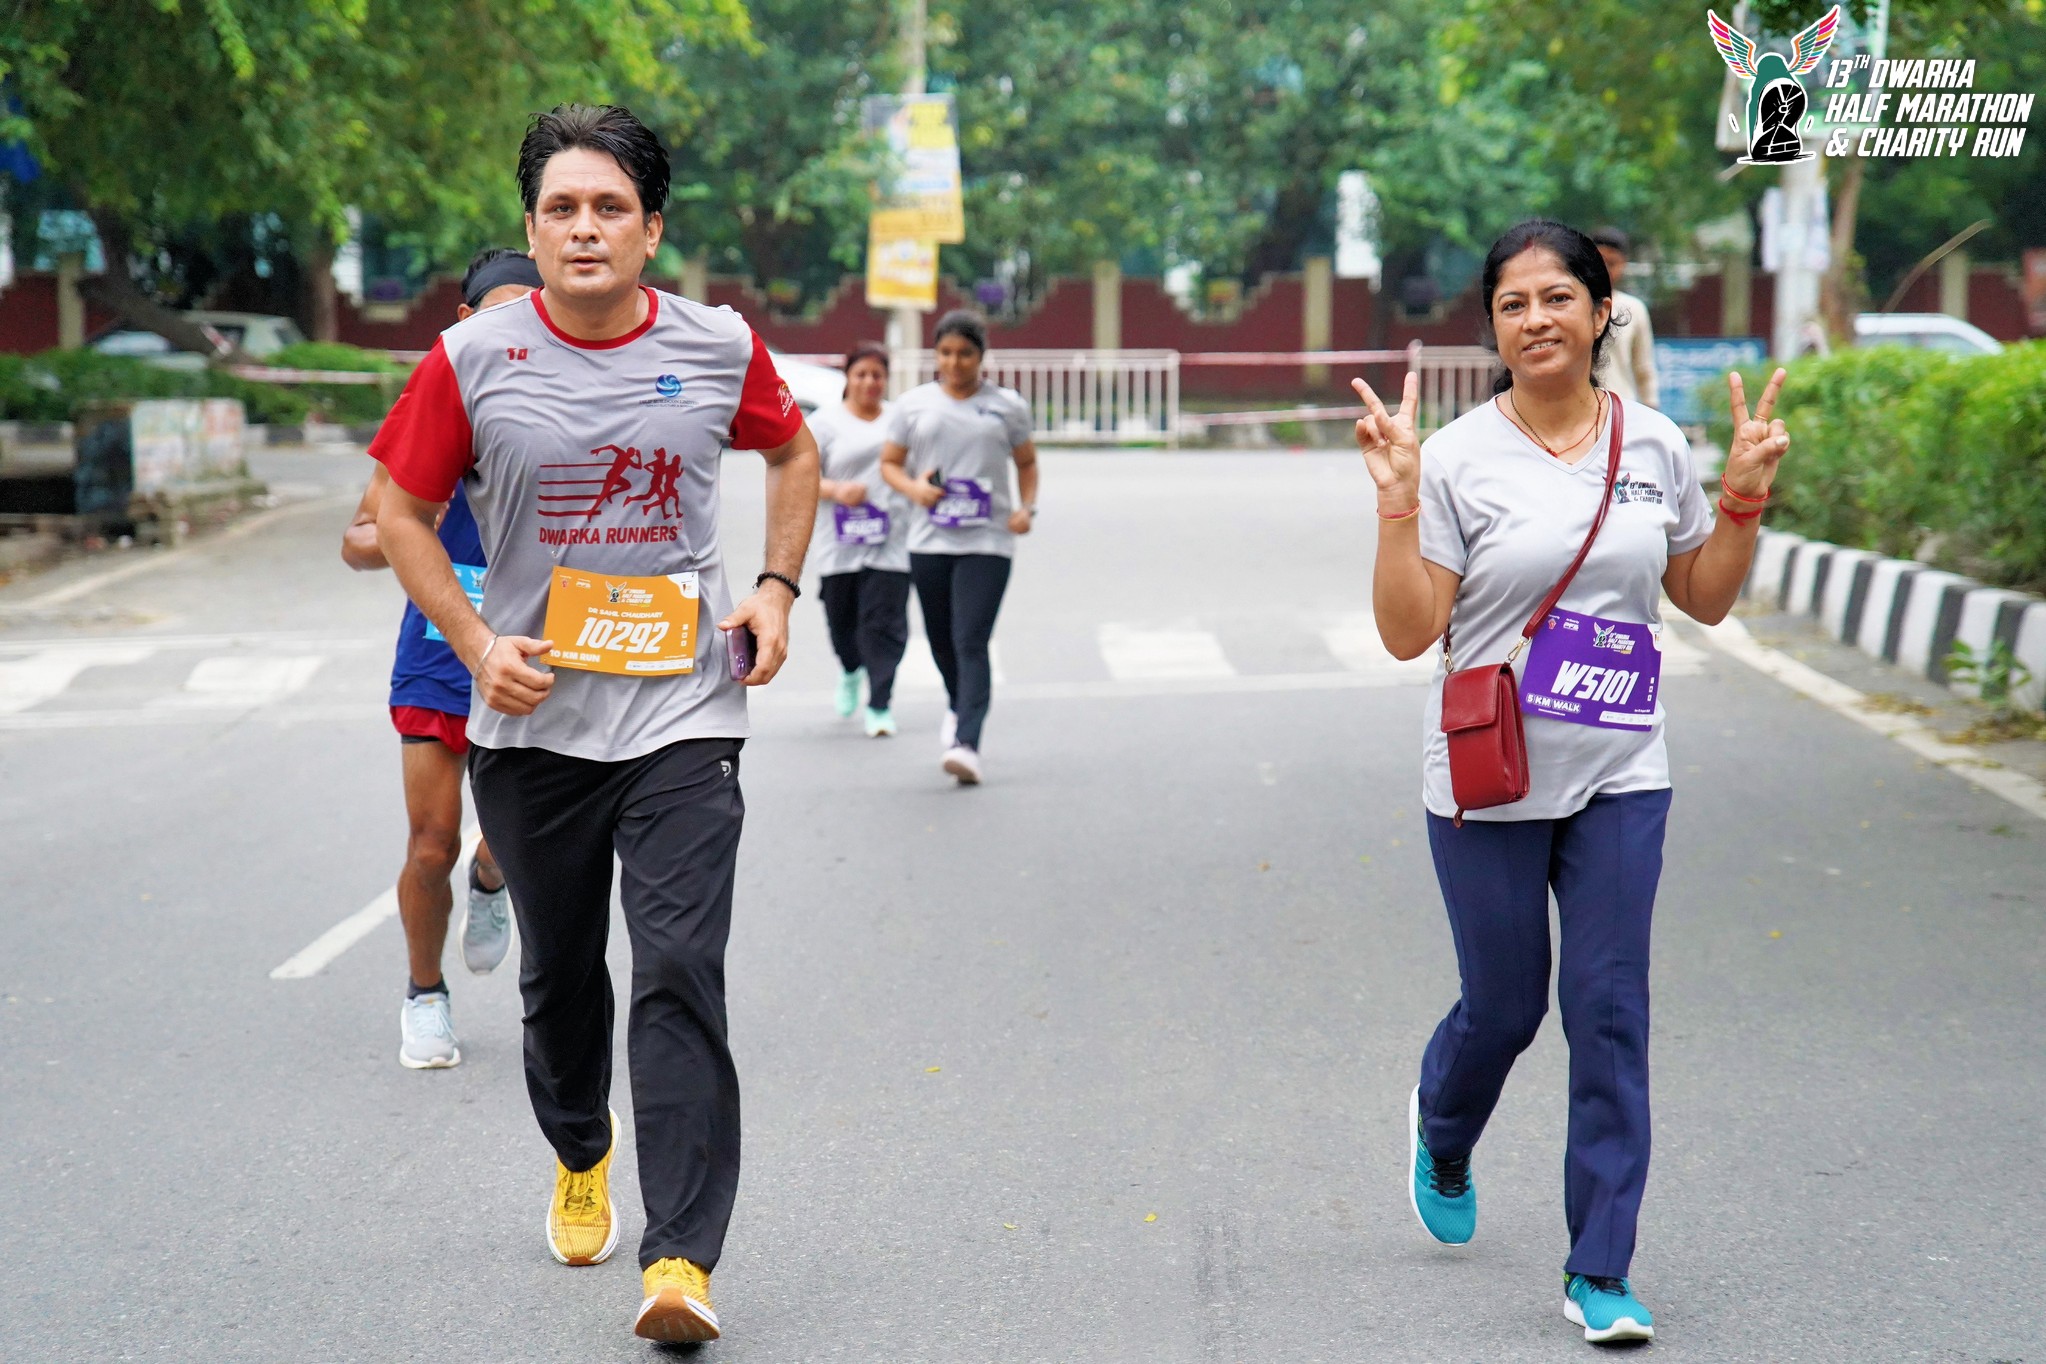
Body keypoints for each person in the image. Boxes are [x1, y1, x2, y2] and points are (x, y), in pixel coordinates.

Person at [369, 104, 819, 1345]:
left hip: (685, 711)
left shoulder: (718, 345)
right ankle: (581, 1145)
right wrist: (477, 645)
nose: (584, 228)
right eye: (561, 208)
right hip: (532, 727)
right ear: (531, 229)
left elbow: (793, 454)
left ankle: (680, 1255)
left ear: (651, 229)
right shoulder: (472, 359)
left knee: (678, 967)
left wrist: (776, 588)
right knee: (561, 977)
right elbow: (398, 511)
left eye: (610, 207)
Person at [1352, 218, 1789, 1344]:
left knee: (1608, 1013)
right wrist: (1397, 502)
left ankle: (1600, 1268)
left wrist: (1742, 499)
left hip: (1621, 770)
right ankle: (1445, 1120)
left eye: (1558, 297)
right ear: (1493, 328)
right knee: (1506, 1007)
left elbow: (1702, 595)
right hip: (1489, 772)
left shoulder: (1655, 444)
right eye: (1513, 303)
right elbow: (1409, 632)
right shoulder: (1455, 457)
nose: (1536, 318)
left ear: (1602, 313)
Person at [341, 246, 541, 1069]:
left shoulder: (566, 404)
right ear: (464, 321)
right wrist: (409, 529)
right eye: (499, 312)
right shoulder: (430, 402)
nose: (516, 327)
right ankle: (425, 995)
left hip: (534, 650)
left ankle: (494, 876)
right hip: (438, 651)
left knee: (517, 838)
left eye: (530, 312)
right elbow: (360, 537)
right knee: (431, 845)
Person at [878, 309, 1038, 785]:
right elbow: (890, 464)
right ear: (935, 355)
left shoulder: (1006, 406)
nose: (954, 362)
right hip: (929, 539)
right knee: (942, 638)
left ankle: (967, 742)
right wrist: (915, 490)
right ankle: (958, 703)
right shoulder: (913, 405)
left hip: (988, 539)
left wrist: (1026, 508)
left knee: (971, 638)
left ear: (981, 356)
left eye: (965, 353)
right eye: (945, 353)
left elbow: (1027, 463)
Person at [809, 341, 908, 737]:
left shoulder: (900, 421)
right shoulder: (824, 423)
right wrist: (836, 490)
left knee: (884, 625)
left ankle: (880, 705)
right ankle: (851, 670)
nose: (869, 382)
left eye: (877, 375)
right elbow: (800, 477)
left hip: (891, 540)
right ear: (847, 378)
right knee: (843, 624)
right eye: (861, 374)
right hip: (839, 542)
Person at [1591, 227, 1658, 408]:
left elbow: (1643, 368)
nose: (1605, 269)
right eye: (1600, 261)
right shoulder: (1572, 305)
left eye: (1612, 263)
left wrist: (1652, 410)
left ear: (1623, 264)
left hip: (1622, 409)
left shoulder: (1634, 309)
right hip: (1579, 410)